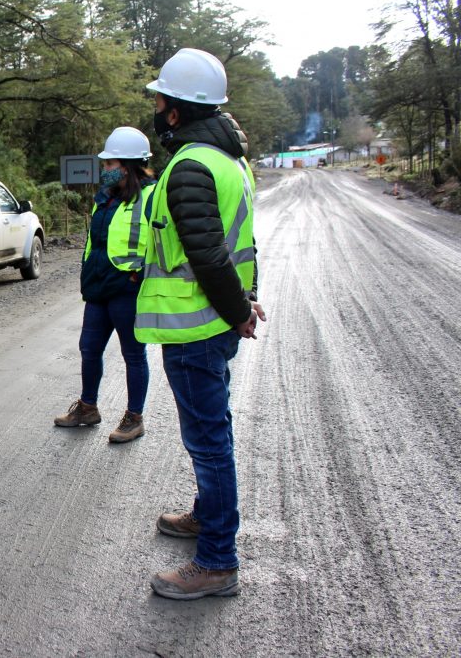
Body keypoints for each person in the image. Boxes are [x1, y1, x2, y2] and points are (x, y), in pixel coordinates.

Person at [136, 48, 266, 600]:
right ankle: (203, 517)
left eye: (161, 98)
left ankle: (217, 561)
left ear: (176, 110)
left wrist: (238, 312)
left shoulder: (192, 165)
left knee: (209, 443)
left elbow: (210, 256)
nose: (157, 105)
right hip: (212, 323)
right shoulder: (228, 160)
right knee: (210, 437)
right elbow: (239, 244)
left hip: (196, 329)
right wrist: (243, 302)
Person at [54, 127, 154, 444]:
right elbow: (95, 243)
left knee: (133, 354)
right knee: (89, 349)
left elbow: (161, 241)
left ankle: (134, 417)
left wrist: (141, 274)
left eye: (110, 165)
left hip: (127, 287)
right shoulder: (104, 198)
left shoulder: (151, 196)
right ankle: (88, 407)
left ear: (127, 165)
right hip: (98, 287)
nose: (105, 170)